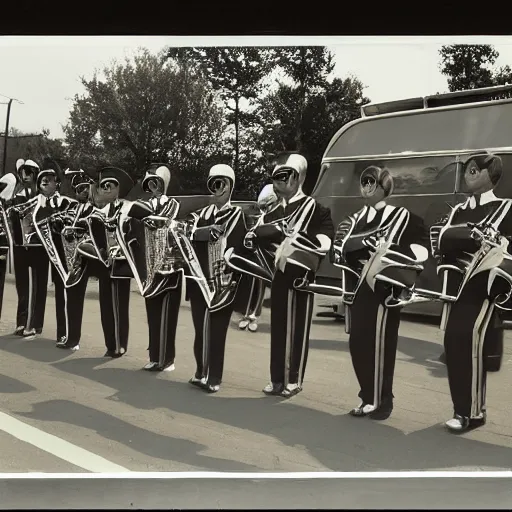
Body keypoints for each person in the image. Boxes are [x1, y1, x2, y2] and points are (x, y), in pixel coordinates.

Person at [332, 165, 429, 419]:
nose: (366, 187)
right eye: (364, 182)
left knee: (382, 343)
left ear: (384, 186)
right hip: (358, 285)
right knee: (358, 343)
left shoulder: (402, 215)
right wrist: (365, 242)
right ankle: (368, 395)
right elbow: (338, 248)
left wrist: (400, 258)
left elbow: (420, 247)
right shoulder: (352, 219)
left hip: (386, 287)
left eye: (372, 182)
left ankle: (382, 400)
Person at [432, 152, 511, 432]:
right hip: (456, 286)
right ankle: (463, 409)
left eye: (476, 170)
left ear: (492, 175)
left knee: (469, 340)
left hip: (484, 286)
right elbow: (440, 243)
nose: (469, 174)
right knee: (454, 344)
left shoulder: (506, 207)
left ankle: (472, 412)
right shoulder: (457, 211)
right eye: (467, 170)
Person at [248, 153, 334, 399]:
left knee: (297, 328)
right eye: (278, 177)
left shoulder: (316, 209)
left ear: (301, 177)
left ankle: (293, 380)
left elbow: (325, 241)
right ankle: (276, 379)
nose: (282, 182)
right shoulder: (272, 212)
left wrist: (300, 240)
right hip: (276, 276)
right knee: (278, 328)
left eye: (288, 176)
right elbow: (253, 237)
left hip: (300, 277)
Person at [187, 164, 247, 393]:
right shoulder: (202, 214)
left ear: (230, 186)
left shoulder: (236, 213)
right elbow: (186, 231)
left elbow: (232, 241)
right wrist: (204, 232)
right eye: (213, 183)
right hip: (198, 279)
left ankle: (214, 377)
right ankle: (200, 371)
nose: (217, 188)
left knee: (217, 330)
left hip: (223, 282)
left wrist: (203, 233)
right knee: (199, 328)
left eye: (222, 183)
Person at [118, 164, 182, 372]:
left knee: (168, 314)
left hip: (170, 267)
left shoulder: (172, 203)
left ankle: (168, 359)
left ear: (163, 184)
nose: (153, 187)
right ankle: (154, 356)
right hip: (149, 267)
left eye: (156, 182)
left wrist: (145, 215)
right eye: (150, 183)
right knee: (152, 313)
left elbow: (164, 221)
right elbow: (131, 223)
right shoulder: (142, 203)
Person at [66, 167, 134, 357]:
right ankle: (110, 345)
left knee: (119, 303)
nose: (104, 189)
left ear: (118, 189)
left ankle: (120, 344)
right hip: (102, 259)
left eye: (108, 186)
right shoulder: (99, 210)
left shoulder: (129, 206)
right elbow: (89, 224)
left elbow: (138, 224)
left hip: (120, 260)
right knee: (106, 303)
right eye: (102, 186)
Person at [32, 168, 77, 344]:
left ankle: (63, 332)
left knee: (62, 289)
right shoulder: (35, 203)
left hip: (60, 250)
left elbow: (73, 220)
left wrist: (61, 220)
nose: (45, 182)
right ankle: (36, 325)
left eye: (49, 179)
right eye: (42, 180)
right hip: (40, 249)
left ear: (56, 183)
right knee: (38, 285)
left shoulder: (67, 202)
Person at [8, 159, 48, 339]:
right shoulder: (16, 195)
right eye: (23, 173)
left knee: (38, 285)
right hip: (20, 246)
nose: (25, 176)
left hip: (38, 247)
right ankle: (22, 321)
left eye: (29, 172)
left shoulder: (44, 197)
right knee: (22, 285)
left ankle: (34, 323)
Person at [237, 183, 279, 332]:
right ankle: (246, 314)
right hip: (256, 255)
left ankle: (254, 316)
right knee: (250, 286)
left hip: (267, 257)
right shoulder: (263, 217)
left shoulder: (276, 217)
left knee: (260, 287)